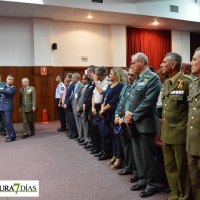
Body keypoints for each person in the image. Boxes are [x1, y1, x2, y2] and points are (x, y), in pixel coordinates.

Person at [124, 53, 160, 198]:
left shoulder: (152, 78)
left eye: (133, 63)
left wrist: (133, 116)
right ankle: (143, 180)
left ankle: (152, 184)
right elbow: (129, 97)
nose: (131, 65)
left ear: (141, 62)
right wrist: (127, 110)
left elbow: (148, 102)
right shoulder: (137, 79)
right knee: (138, 155)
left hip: (145, 123)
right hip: (134, 123)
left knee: (147, 157)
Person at [161, 52, 192, 200]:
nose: (161, 65)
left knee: (181, 169)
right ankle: (175, 194)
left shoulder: (187, 82)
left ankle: (184, 196)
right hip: (166, 132)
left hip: (180, 133)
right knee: (170, 167)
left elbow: (192, 108)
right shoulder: (167, 82)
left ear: (173, 65)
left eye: (164, 62)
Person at [114, 67, 138, 182]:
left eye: (132, 75)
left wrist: (123, 118)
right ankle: (128, 167)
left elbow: (133, 106)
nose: (129, 77)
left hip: (130, 121)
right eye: (128, 75)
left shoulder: (136, 87)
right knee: (126, 147)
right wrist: (117, 116)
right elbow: (120, 104)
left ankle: (136, 171)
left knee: (133, 149)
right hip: (121, 121)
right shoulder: (125, 87)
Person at [99, 67, 126, 168]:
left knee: (117, 135)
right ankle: (115, 155)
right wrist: (102, 108)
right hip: (108, 115)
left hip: (115, 115)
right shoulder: (110, 86)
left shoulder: (120, 86)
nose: (109, 75)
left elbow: (114, 101)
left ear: (116, 75)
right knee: (112, 135)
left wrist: (103, 109)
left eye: (111, 74)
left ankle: (120, 158)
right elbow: (104, 98)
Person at [186, 49, 200, 200]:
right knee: (195, 182)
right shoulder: (194, 84)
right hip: (193, 142)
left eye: (194, 59)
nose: (191, 63)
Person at [91, 66, 110, 159]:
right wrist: (93, 107)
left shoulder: (107, 82)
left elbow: (101, 91)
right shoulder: (98, 82)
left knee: (103, 131)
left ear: (101, 74)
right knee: (97, 130)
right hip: (96, 106)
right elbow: (94, 94)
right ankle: (101, 149)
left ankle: (106, 152)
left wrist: (95, 81)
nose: (95, 76)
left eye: (96, 74)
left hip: (103, 107)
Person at [82, 65, 96, 151]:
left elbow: (91, 96)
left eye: (88, 72)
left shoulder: (94, 82)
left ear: (91, 72)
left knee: (93, 128)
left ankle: (94, 145)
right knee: (91, 127)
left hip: (91, 107)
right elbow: (86, 95)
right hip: (88, 107)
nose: (87, 74)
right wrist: (84, 104)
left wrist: (86, 105)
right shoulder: (90, 82)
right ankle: (93, 144)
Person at [0, 75, 17, 142]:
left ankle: (12, 136)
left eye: (11, 79)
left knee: (8, 121)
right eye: (9, 79)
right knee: (6, 122)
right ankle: (12, 134)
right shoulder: (4, 87)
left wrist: (0, 90)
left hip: (8, 107)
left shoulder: (13, 88)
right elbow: (1, 95)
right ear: (6, 80)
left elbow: (8, 93)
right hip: (2, 106)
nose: (10, 80)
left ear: (13, 81)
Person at [76, 75, 90, 145]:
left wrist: (80, 107)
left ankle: (87, 140)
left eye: (83, 79)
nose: (82, 80)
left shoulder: (87, 87)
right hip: (81, 109)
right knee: (83, 125)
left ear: (87, 80)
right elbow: (80, 98)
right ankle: (85, 138)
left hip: (83, 109)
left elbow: (84, 100)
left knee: (85, 126)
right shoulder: (84, 87)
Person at [70, 73, 83, 140]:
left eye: (72, 78)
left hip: (78, 107)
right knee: (77, 122)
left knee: (80, 123)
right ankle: (80, 136)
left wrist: (78, 106)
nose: (71, 79)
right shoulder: (74, 85)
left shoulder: (81, 85)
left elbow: (80, 98)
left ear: (76, 78)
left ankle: (82, 137)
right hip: (74, 106)